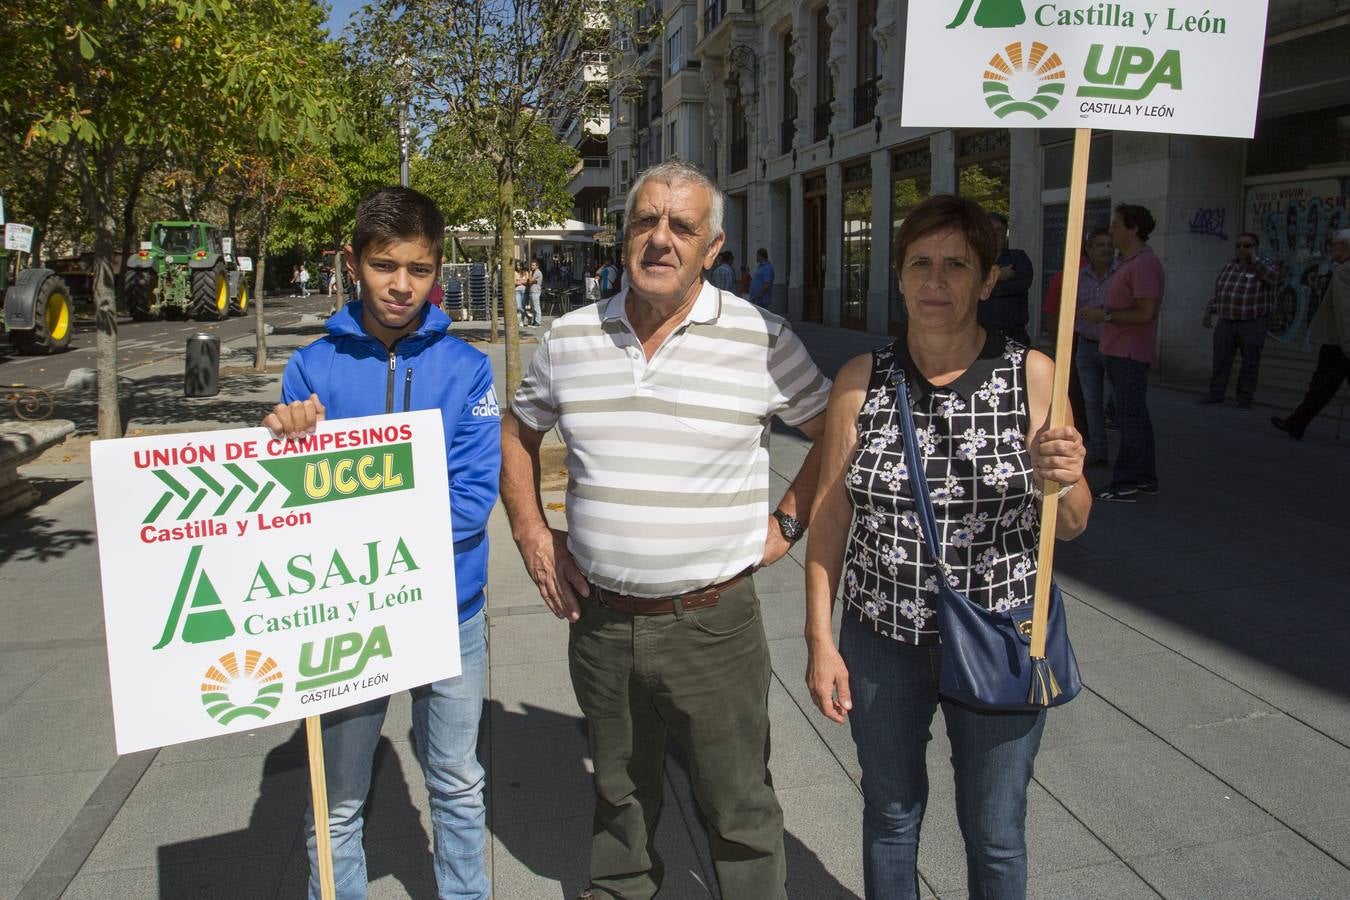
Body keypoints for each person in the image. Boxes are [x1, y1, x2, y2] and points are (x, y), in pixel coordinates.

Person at [501, 158, 832, 900]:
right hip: (602, 620)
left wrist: (790, 517)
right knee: (618, 799)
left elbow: (834, 433)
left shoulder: (762, 338)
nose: (661, 239)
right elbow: (518, 432)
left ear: (712, 249)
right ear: (625, 237)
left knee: (740, 803)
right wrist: (532, 530)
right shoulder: (569, 337)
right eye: (646, 221)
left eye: (682, 226)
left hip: (713, 626)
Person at [804, 194, 1090, 900]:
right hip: (880, 637)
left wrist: (1068, 478)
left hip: (999, 633)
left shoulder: (1034, 376)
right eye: (920, 264)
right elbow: (831, 518)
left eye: (957, 265)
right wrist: (820, 638)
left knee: (996, 834)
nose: (936, 282)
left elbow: (1075, 523)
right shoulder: (860, 381)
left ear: (989, 280)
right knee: (890, 815)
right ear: (898, 277)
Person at [261, 186, 501, 900]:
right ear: (352, 263)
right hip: (345, 616)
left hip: (448, 608)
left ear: (439, 271)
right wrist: (286, 446)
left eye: (419, 269)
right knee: (336, 799)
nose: (400, 286)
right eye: (384, 265)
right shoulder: (311, 369)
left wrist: (361, 524)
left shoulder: (468, 370)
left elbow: (470, 501)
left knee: (457, 780)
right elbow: (289, 506)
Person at [1079, 203, 1163, 502]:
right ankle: (1144, 477)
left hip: (1129, 353)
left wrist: (1106, 316)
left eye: (1116, 225)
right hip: (1116, 349)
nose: (1111, 230)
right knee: (1135, 415)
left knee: (1129, 418)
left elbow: (1145, 312)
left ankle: (1126, 481)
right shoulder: (1127, 262)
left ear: (1133, 228)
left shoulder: (1143, 264)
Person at [1272, 228, 1350, 439]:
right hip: (1341, 342)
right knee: (1321, 388)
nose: (1331, 247)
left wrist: (1347, 344)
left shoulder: (1343, 271)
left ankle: (1296, 424)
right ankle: (1296, 423)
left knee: (1321, 387)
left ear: (1344, 247)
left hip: (1340, 343)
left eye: (1334, 244)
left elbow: (1345, 310)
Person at [1050, 229, 1118, 466]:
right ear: (1089, 250)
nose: (1106, 249)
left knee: (1120, 402)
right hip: (1087, 345)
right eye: (1100, 245)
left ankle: (1128, 458)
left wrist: (1106, 316)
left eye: (1109, 244)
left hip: (1115, 347)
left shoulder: (1121, 274)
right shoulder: (1079, 277)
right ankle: (1098, 450)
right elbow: (1068, 309)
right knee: (1090, 401)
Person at [1199, 232, 1279, 408]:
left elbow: (1273, 278)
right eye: (1239, 245)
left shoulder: (1264, 264)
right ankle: (1216, 393)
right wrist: (1209, 310)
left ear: (1256, 247)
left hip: (1253, 322)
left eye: (1247, 245)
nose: (1242, 249)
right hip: (1227, 321)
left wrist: (1254, 259)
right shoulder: (1230, 265)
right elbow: (1223, 291)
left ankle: (1244, 399)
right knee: (1220, 359)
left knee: (1249, 362)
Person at [978, 211, 1034, 345]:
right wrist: (999, 275)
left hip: (1014, 335)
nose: (995, 235)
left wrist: (984, 285)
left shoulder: (1018, 257)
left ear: (1005, 233)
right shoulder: (975, 261)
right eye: (990, 231)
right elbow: (967, 287)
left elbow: (1022, 285)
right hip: (980, 337)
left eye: (999, 230)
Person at [526, 257, 543, 326]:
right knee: (533, 308)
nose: (531, 266)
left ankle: (538, 321)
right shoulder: (533, 272)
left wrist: (529, 275)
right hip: (532, 291)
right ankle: (534, 320)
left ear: (537, 266)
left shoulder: (537, 272)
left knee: (536, 307)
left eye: (533, 265)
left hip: (535, 291)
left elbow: (530, 280)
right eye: (531, 265)